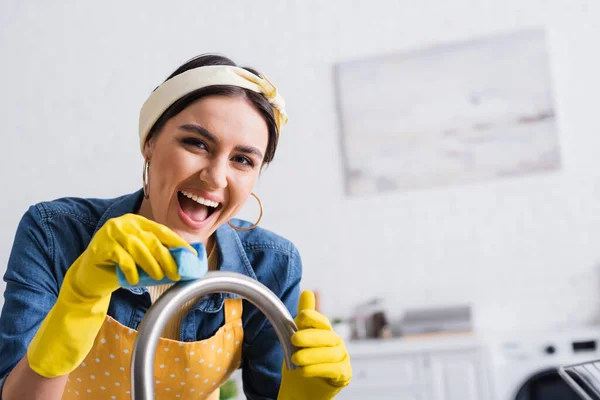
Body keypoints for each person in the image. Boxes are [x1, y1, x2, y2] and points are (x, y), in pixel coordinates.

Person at [0, 54, 352, 400]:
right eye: (196, 143)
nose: (215, 177)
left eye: (242, 160)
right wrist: (77, 303)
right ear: (150, 142)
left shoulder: (269, 268)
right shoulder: (54, 234)